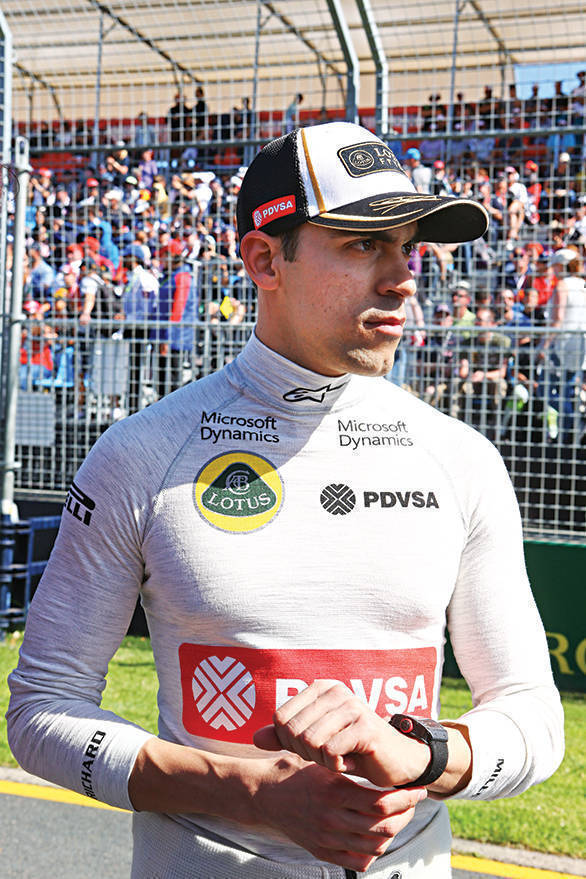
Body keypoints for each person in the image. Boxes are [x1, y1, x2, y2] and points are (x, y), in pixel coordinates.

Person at [8, 122, 563, 879]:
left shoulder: (462, 460)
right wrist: (247, 791)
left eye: (407, 248)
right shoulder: (141, 452)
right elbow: (41, 710)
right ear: (265, 259)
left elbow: (533, 715)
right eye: (363, 245)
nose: (403, 278)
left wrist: (423, 753)